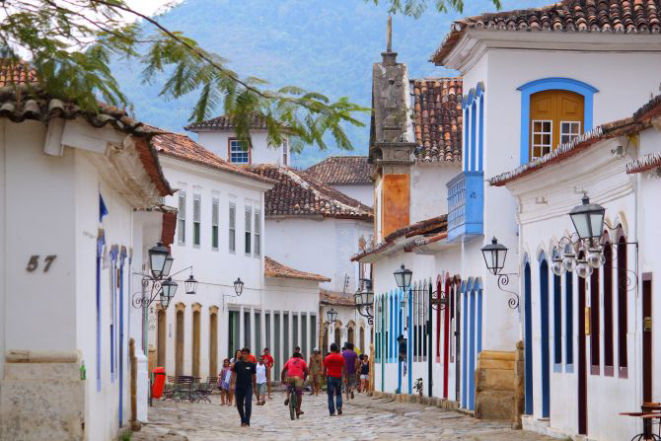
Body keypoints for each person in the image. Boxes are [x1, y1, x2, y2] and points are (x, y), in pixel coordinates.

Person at [232, 347, 257, 427]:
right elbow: (234, 374)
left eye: (245, 354)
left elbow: (253, 376)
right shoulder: (238, 363)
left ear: (248, 355)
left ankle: (247, 420)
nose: (243, 355)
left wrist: (255, 387)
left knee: (248, 404)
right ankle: (242, 419)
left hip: (248, 387)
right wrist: (232, 384)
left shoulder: (252, 365)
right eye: (242, 354)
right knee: (239, 404)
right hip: (239, 387)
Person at [281, 351, 308, 418]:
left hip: (290, 377)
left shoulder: (289, 360)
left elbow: (283, 371)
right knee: (299, 394)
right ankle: (298, 410)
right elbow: (307, 370)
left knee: (288, 387)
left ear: (293, 356)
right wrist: (304, 378)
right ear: (299, 356)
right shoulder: (302, 361)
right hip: (299, 378)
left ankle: (288, 397)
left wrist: (282, 380)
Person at [323, 342, 346, 416]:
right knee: (338, 393)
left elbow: (325, 368)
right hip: (338, 377)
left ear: (330, 349)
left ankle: (332, 411)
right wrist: (344, 376)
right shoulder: (340, 357)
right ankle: (339, 407)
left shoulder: (327, 358)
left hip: (330, 377)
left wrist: (324, 376)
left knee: (330, 395)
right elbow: (344, 368)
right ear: (336, 349)